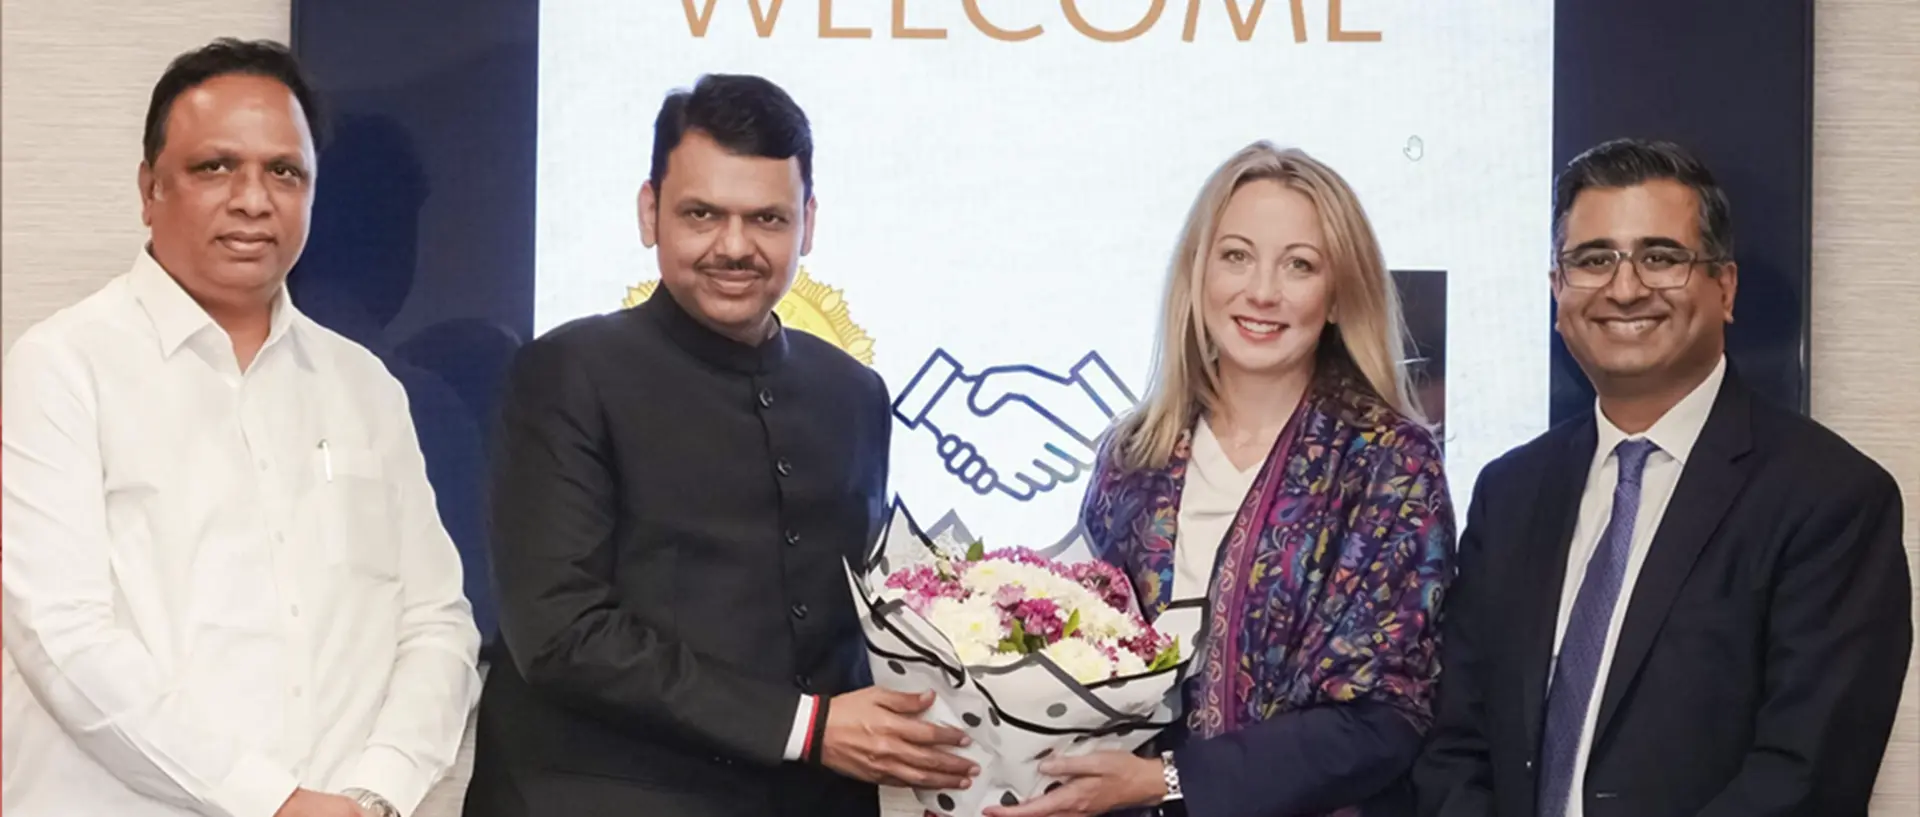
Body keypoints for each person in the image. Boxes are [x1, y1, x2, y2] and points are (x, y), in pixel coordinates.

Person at [461, 73, 976, 817]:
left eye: (767, 218)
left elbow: (848, 623)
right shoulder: (569, 372)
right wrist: (808, 727)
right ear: (650, 212)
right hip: (601, 797)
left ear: (808, 223)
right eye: (702, 214)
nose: (734, 247)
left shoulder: (852, 392)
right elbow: (561, 632)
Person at [1, 38, 482, 817]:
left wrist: (375, 794)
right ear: (149, 189)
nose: (254, 199)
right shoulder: (63, 367)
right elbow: (63, 639)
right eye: (215, 166)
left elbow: (437, 624)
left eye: (284, 172)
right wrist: (275, 801)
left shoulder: (364, 386)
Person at [1413, 139, 1912, 817]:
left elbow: (1807, 778)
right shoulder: (1510, 492)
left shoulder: (1831, 499)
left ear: (1725, 288)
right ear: (1558, 290)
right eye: (1594, 260)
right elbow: (1455, 746)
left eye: (1661, 257)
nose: (1625, 289)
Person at [987, 142, 1457, 817]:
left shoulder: (1387, 462)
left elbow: (1386, 716)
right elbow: (1091, 662)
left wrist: (1164, 779)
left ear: (1336, 296)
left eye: (1299, 264)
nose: (1261, 291)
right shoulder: (1135, 455)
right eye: (1236, 255)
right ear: (1197, 272)